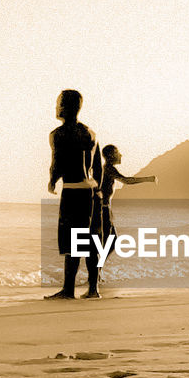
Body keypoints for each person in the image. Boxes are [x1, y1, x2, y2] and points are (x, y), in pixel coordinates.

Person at [46, 90, 102, 299]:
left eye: (58, 102)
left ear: (64, 107)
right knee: (88, 241)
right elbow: (98, 167)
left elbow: (57, 163)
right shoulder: (90, 133)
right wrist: (99, 190)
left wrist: (52, 181)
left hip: (72, 190)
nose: (55, 106)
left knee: (72, 242)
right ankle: (94, 289)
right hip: (90, 191)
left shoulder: (57, 134)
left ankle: (68, 290)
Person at [98, 144, 156, 268]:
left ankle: (96, 273)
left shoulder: (107, 168)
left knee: (109, 241)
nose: (121, 155)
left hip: (105, 209)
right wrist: (148, 179)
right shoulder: (109, 168)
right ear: (110, 155)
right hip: (103, 209)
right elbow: (127, 181)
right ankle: (95, 273)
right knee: (110, 242)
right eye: (117, 152)